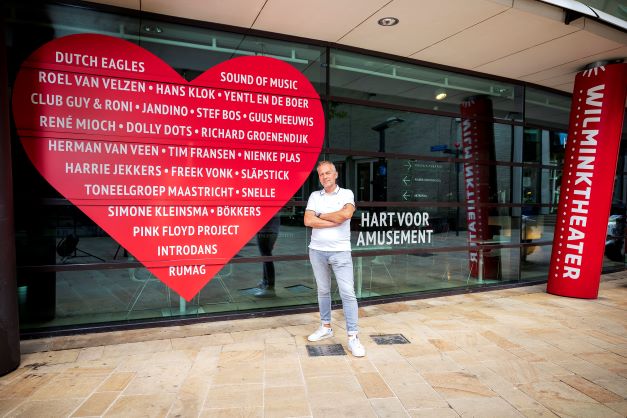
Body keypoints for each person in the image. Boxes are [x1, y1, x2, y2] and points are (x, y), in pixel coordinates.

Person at [304, 161, 365, 357]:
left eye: (328, 173)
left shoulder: (347, 194)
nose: (324, 177)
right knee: (323, 290)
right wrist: (334, 219)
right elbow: (307, 220)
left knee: (348, 293)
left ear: (336, 174)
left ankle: (353, 337)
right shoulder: (314, 196)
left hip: (340, 251)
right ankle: (326, 326)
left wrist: (320, 215)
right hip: (317, 251)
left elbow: (346, 215)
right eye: (321, 174)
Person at [253, 215, 281, 297]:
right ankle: (266, 282)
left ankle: (270, 288)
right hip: (270, 229)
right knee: (266, 258)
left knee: (267, 258)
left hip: (266, 230)